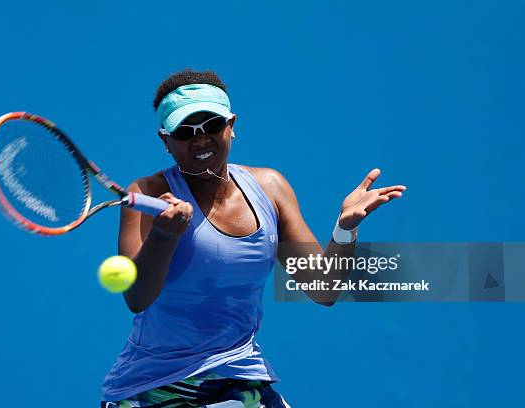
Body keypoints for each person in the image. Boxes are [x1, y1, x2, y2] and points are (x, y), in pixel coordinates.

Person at [101, 69, 406, 407]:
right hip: (155, 387)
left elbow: (323, 288)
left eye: (212, 125)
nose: (201, 139)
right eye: (185, 131)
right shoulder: (147, 194)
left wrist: (345, 228)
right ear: (166, 142)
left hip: (239, 378)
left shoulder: (269, 187)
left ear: (231, 125)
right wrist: (163, 235)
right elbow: (137, 298)